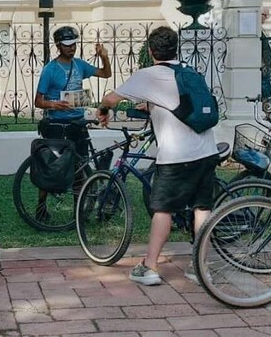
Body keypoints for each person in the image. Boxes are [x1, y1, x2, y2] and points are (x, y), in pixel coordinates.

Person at [96, 26, 219, 286]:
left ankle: (149, 266)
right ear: (175, 48)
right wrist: (150, 104)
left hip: (177, 155)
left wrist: (103, 110)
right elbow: (180, 101)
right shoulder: (188, 72)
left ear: (151, 51)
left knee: (163, 209)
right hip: (207, 150)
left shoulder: (148, 75)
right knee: (202, 208)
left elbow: (111, 98)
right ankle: (199, 267)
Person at [32, 26, 111, 220]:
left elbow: (105, 74)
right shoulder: (50, 70)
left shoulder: (79, 65)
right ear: (58, 46)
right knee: (50, 166)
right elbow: (38, 101)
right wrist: (54, 104)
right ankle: (41, 208)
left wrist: (104, 56)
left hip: (77, 122)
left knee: (80, 166)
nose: (71, 48)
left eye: (74, 44)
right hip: (56, 125)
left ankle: (79, 210)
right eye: (67, 45)